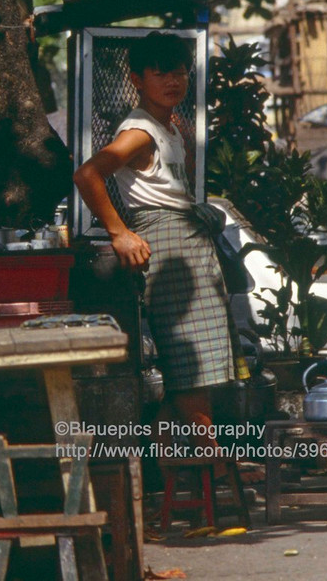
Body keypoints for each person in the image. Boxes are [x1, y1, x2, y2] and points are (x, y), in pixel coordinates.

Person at [72, 32, 239, 471]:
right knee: (189, 357)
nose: (173, 81)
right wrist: (119, 233)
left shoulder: (169, 126)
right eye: (161, 73)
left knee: (197, 355)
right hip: (165, 242)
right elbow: (88, 174)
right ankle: (212, 458)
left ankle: (167, 456)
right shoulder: (139, 132)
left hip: (187, 240)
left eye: (179, 72)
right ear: (136, 79)